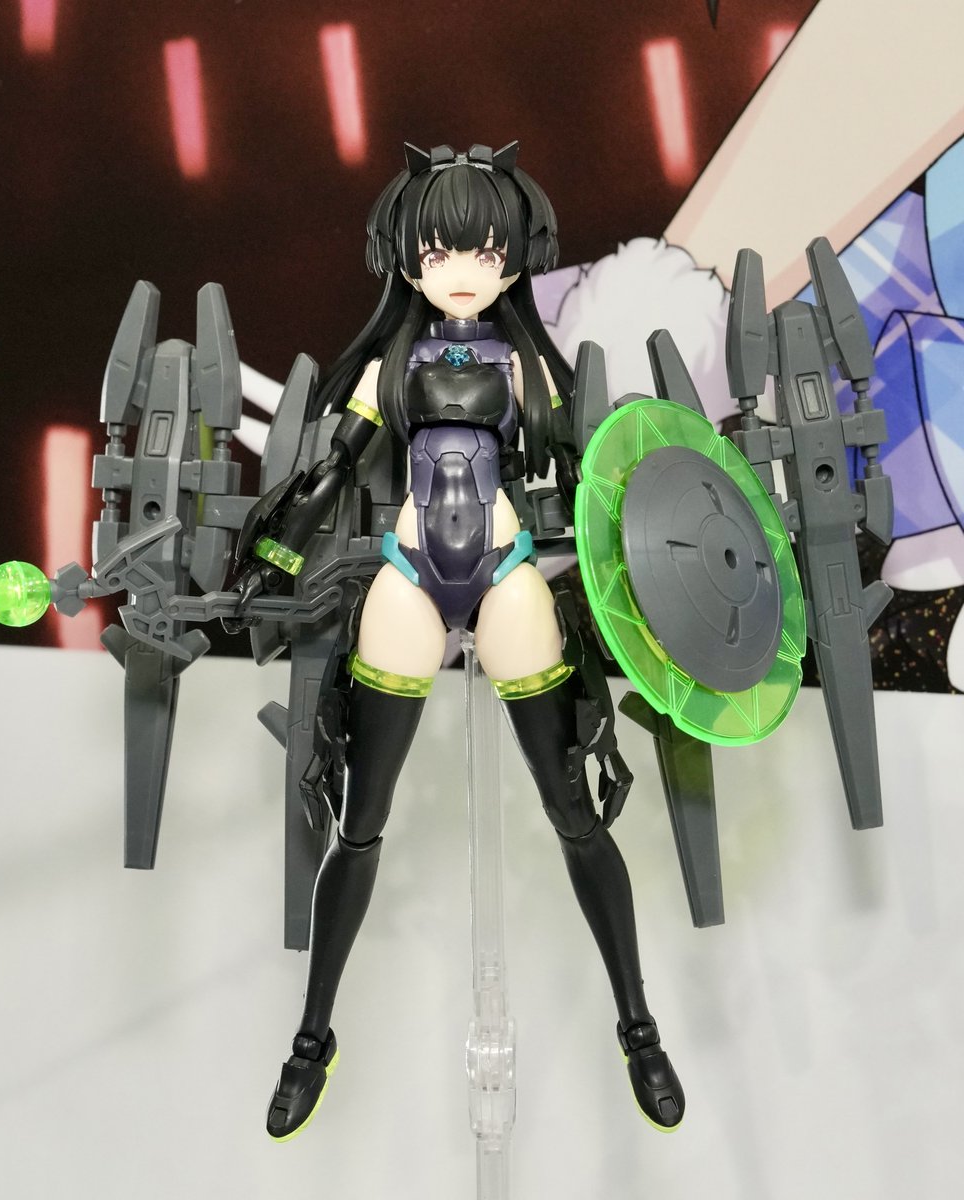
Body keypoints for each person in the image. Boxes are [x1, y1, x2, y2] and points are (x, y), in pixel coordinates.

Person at [237, 142, 685, 1140]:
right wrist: (274, 549)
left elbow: (591, 470)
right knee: (360, 822)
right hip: (406, 575)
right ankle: (311, 1039)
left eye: (485, 250)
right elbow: (331, 471)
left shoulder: (524, 367)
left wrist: (666, 548)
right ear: (407, 258)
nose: (464, 270)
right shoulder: (389, 369)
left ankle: (639, 1028)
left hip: (506, 569)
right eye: (441, 252)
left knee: (574, 815)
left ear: (514, 254)